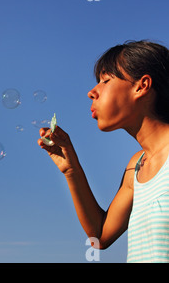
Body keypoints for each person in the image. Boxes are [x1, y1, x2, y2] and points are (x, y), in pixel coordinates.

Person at [38, 40, 169, 263]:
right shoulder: (137, 167)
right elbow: (100, 235)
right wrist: (72, 171)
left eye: (106, 81)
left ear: (141, 86)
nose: (92, 92)